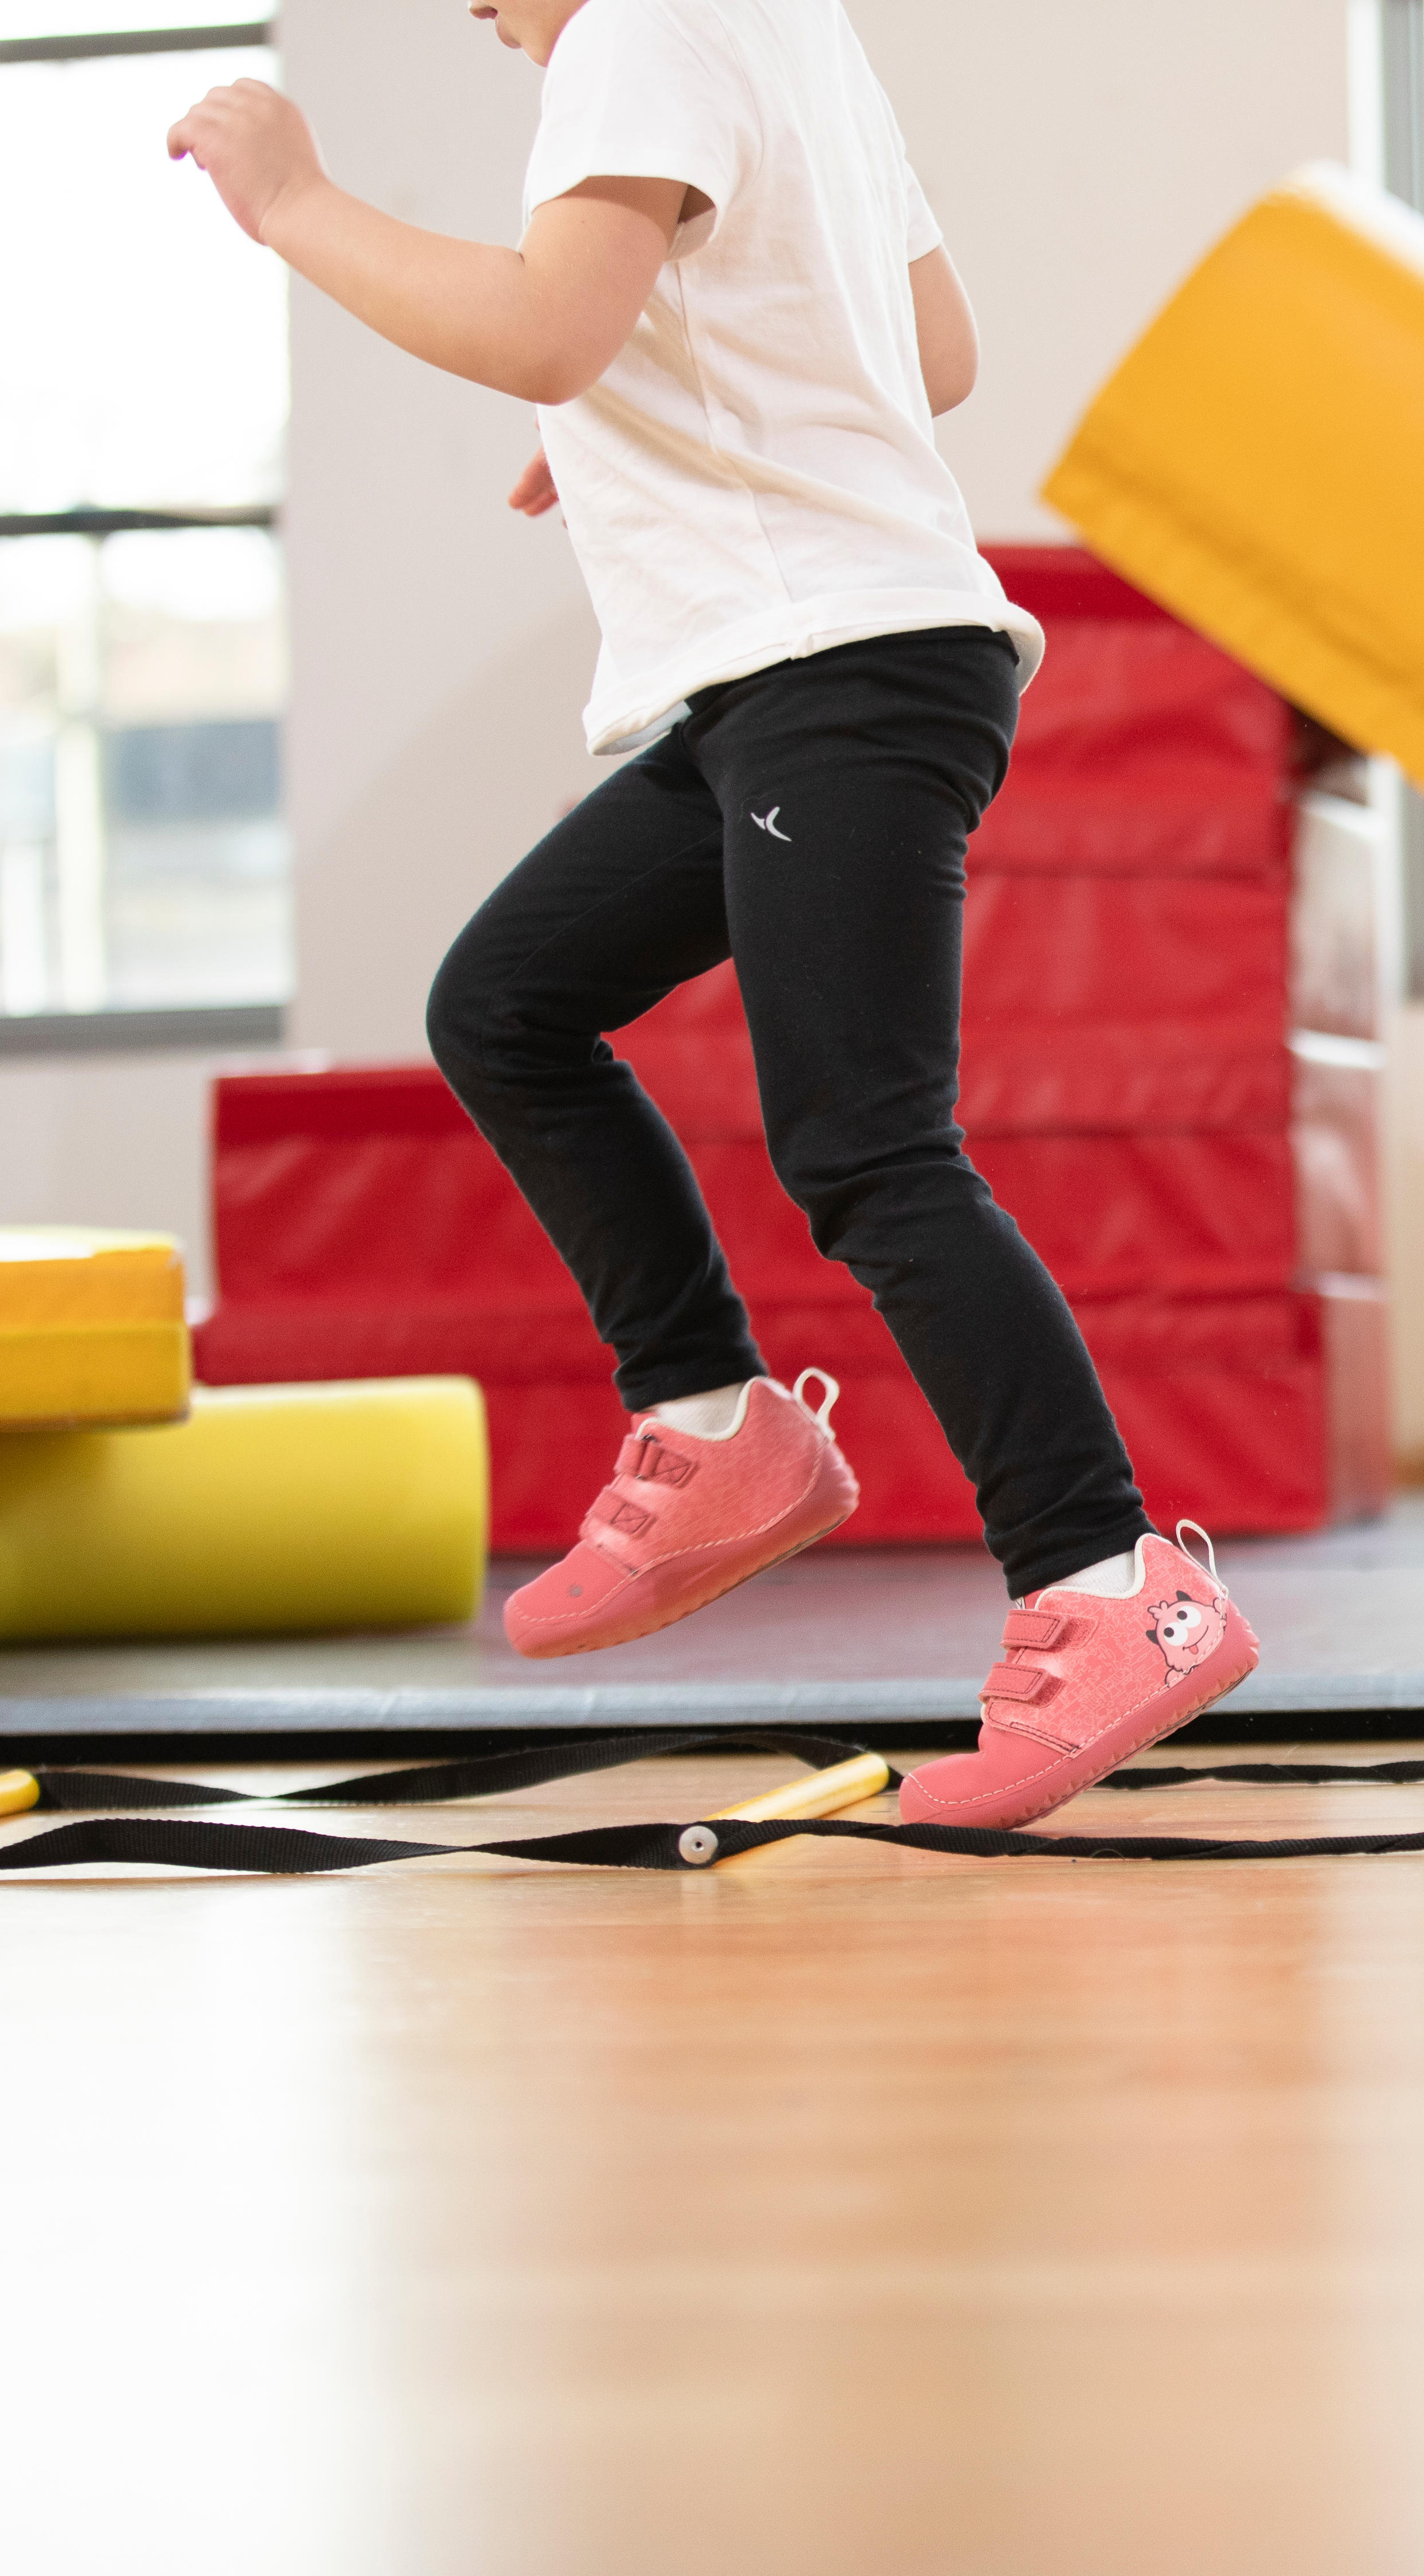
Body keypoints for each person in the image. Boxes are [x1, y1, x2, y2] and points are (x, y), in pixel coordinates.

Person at [168, 0, 1259, 1830]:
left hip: (830, 666)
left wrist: (293, 201)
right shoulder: (788, 30)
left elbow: (546, 320)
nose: (476, 11)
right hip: (801, 672)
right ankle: (713, 1420)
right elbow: (934, 347)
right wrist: (638, 426)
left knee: (871, 1154)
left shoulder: (637, 28)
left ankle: (1103, 1583)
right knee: (506, 1002)